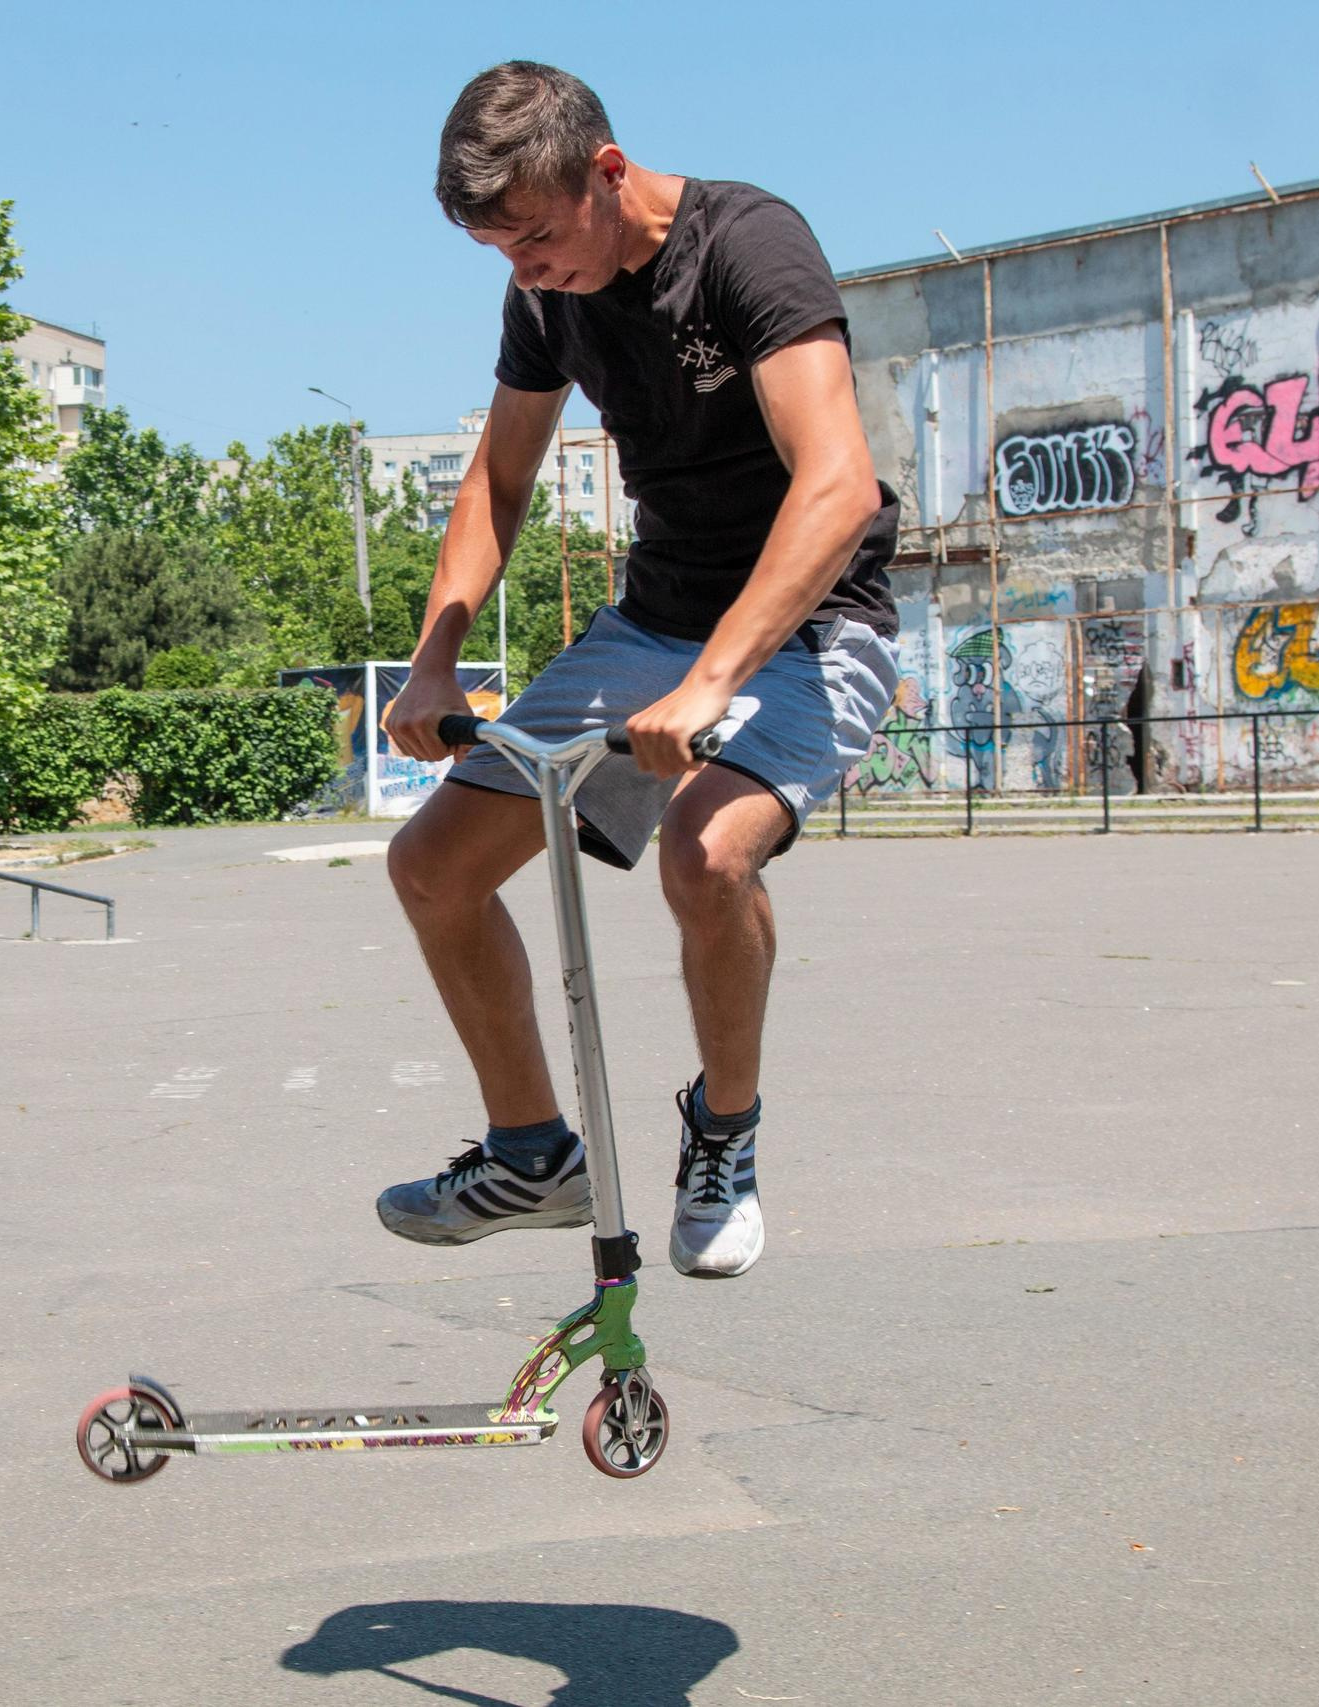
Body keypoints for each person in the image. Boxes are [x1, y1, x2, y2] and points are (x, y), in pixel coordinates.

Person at [376, 61, 902, 1279]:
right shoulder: (545, 297)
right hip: (655, 624)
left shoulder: (747, 248)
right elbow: (499, 480)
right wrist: (434, 661)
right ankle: (531, 1157)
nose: (524, 272)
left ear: (606, 172)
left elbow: (837, 489)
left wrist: (714, 678)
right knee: (432, 867)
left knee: (705, 856)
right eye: (499, 251)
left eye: (537, 239)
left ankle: (724, 1134)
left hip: (814, 625)